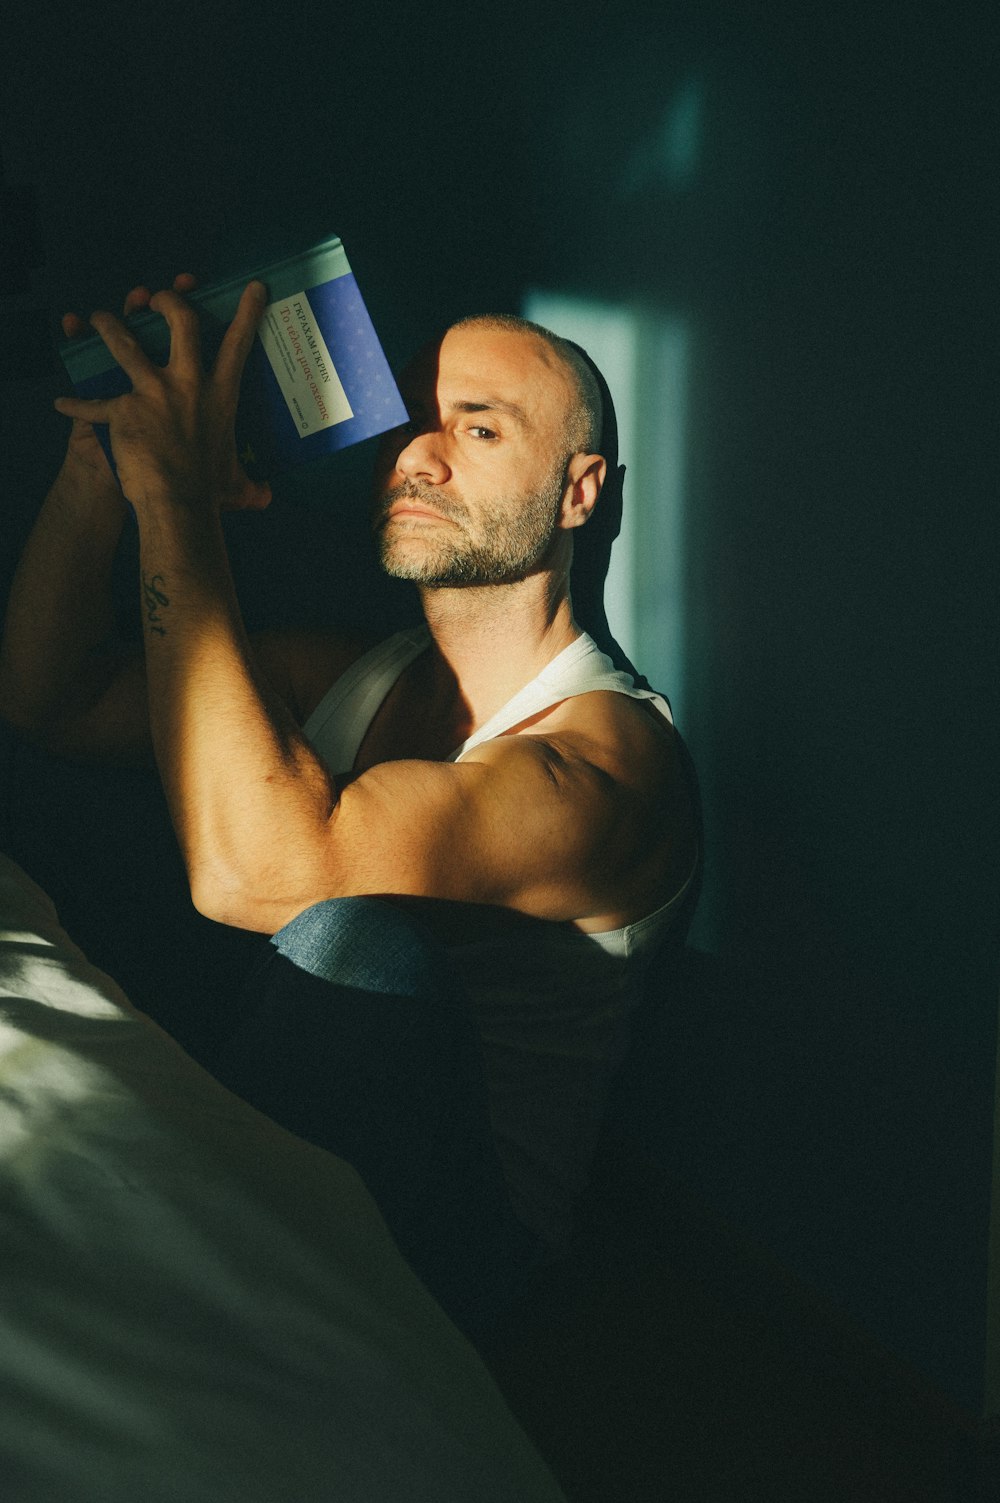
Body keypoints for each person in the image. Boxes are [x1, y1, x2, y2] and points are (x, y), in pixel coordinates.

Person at [0, 276, 698, 1335]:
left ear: (577, 490)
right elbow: (49, 706)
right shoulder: (355, 675)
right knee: (60, 795)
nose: (419, 455)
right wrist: (108, 473)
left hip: (462, 1237)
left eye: (479, 428)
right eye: (409, 425)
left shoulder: (607, 761)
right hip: (276, 1137)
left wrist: (178, 506)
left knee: (353, 939)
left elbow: (256, 879)